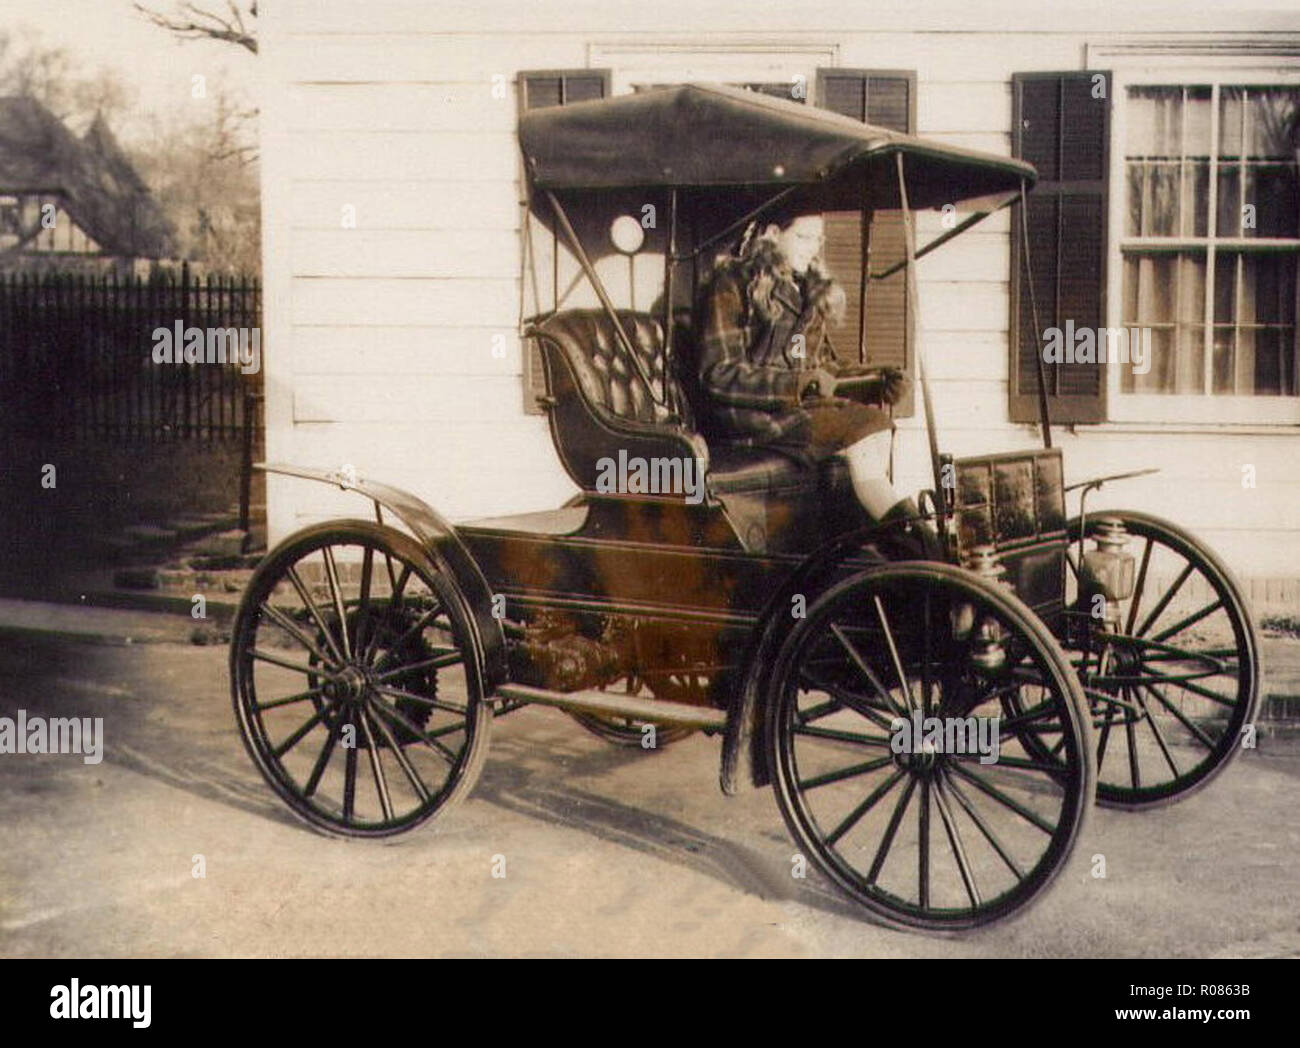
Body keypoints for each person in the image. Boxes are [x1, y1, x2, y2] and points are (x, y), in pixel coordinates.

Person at [694, 210, 929, 539]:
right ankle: (918, 544)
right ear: (774, 234)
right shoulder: (733, 283)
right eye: (803, 237)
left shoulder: (805, 293)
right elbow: (718, 373)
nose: (813, 247)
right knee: (863, 427)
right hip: (747, 415)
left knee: (874, 429)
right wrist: (795, 385)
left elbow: (815, 366)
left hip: (790, 410)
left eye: (818, 239)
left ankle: (883, 541)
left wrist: (877, 378)